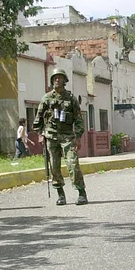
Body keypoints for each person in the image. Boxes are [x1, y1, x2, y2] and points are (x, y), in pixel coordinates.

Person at [34, 68, 87, 206]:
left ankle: (81, 193)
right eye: (55, 77)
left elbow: (79, 120)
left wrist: (78, 137)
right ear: (52, 80)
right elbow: (38, 119)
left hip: (68, 137)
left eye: (60, 77)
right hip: (51, 137)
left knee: (73, 164)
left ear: (65, 80)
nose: (57, 79)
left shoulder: (71, 99)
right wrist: (40, 134)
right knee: (54, 167)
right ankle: (61, 195)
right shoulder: (46, 98)